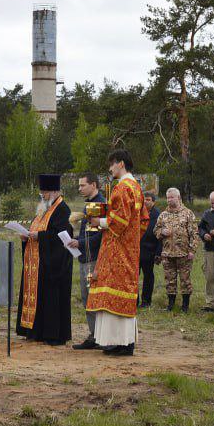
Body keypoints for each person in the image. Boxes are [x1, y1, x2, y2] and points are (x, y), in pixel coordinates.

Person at [85, 149, 144, 356]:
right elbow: (142, 220)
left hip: (117, 250)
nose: (110, 169)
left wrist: (98, 221)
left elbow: (119, 221)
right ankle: (124, 342)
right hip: (129, 249)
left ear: (120, 163)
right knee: (124, 292)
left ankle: (120, 343)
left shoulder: (122, 188)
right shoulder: (136, 187)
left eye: (111, 164)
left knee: (113, 292)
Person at [17, 173, 74, 346]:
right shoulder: (43, 208)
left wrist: (39, 236)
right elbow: (37, 228)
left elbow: (61, 236)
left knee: (51, 298)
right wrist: (26, 236)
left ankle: (52, 334)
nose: (43, 195)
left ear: (56, 191)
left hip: (54, 263)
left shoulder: (63, 209)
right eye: (41, 191)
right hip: (37, 261)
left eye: (46, 192)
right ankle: (35, 331)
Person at [70, 172, 106, 350]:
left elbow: (98, 236)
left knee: (92, 298)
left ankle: (97, 336)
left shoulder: (97, 204)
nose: (79, 188)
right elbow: (89, 232)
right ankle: (95, 334)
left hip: (93, 258)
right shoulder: (89, 204)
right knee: (87, 297)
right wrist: (75, 237)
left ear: (93, 185)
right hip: (86, 256)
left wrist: (79, 242)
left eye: (82, 185)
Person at [155, 187, 198, 311]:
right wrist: (162, 231)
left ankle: (185, 306)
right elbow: (156, 230)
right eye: (168, 197)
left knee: (185, 280)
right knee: (169, 280)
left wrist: (192, 250)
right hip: (168, 254)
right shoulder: (163, 215)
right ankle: (171, 305)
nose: (169, 200)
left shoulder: (188, 213)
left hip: (184, 254)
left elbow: (194, 233)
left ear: (178, 198)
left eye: (172, 197)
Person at [138, 191, 160, 308]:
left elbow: (160, 236)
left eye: (148, 200)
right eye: (144, 200)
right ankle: (133, 300)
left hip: (149, 251)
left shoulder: (157, 215)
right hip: (136, 250)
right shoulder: (137, 212)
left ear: (153, 202)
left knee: (148, 277)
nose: (146, 202)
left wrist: (158, 253)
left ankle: (146, 301)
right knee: (133, 277)